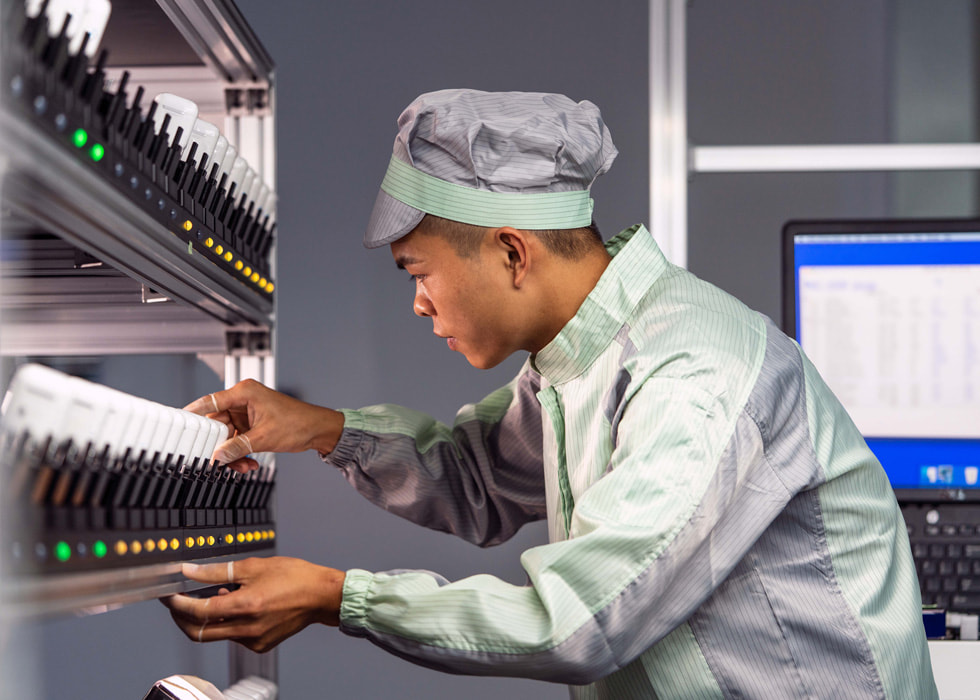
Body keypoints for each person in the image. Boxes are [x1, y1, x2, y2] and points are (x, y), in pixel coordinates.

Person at [162, 89, 938, 698]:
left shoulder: (693, 374)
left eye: (418, 271)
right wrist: (320, 429)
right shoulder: (583, 360)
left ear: (510, 251)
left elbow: (580, 619)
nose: (418, 303)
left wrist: (338, 597)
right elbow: (478, 481)